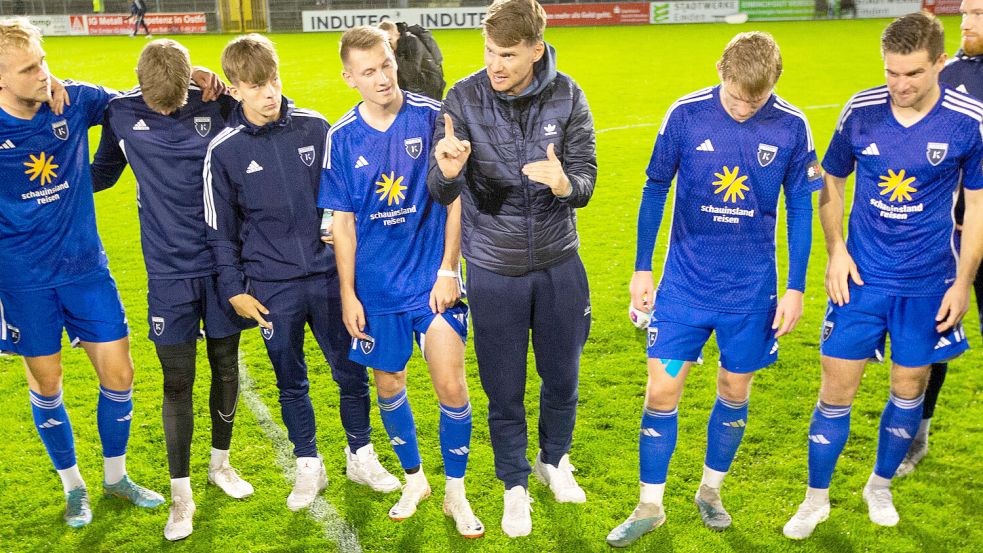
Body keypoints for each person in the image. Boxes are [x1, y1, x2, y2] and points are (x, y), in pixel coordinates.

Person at [606, 31, 822, 548]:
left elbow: (800, 207)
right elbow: (656, 187)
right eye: (734, 96)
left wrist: (795, 288)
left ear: (773, 85)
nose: (744, 107)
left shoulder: (792, 126)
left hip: (750, 295)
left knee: (733, 390)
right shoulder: (685, 115)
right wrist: (641, 268)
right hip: (683, 288)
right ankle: (649, 505)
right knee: (661, 391)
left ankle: (710, 491)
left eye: (756, 99)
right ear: (720, 72)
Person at [783, 12, 983, 539]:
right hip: (862, 279)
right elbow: (830, 180)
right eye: (891, 72)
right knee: (835, 388)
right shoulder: (862, 111)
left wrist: (963, 282)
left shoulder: (968, 120)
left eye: (913, 73)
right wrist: (836, 250)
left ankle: (879, 484)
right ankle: (815, 499)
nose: (899, 85)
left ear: (941, 63)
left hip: (928, 284)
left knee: (909, 385)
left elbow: (978, 209)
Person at [203, 34, 400, 512]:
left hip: (332, 279)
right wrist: (234, 290)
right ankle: (308, 463)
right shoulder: (224, 151)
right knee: (290, 380)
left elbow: (349, 197)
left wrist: (338, 232)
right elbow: (218, 230)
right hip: (272, 287)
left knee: (351, 370)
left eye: (273, 80)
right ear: (235, 89)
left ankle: (361, 453)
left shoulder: (317, 128)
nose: (269, 93)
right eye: (255, 86)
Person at [427, 0, 596, 538]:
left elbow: (588, 181)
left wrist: (565, 183)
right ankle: (514, 485)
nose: (494, 64)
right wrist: (448, 172)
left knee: (562, 377)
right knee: (504, 387)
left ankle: (554, 459)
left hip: (558, 263)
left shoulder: (569, 94)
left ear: (535, 50)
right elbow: (439, 191)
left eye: (507, 55)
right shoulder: (463, 97)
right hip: (493, 268)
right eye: (489, 52)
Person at [0, 17, 164, 528]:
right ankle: (75, 487)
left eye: (43, 61)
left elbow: (132, 101)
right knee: (47, 385)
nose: (44, 76)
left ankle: (116, 477)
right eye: (29, 70)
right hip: (23, 279)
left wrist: (193, 74)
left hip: (85, 270)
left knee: (121, 374)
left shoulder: (73, 99)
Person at [320, 26, 483, 538]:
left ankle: (456, 492)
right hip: (375, 290)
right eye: (368, 71)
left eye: (387, 64)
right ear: (350, 78)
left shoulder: (432, 117)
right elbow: (341, 222)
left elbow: (453, 194)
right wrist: (348, 294)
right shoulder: (341, 137)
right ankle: (415, 479)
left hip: (431, 285)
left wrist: (448, 268)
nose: (383, 77)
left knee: (451, 385)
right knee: (388, 384)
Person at [90, 39, 254, 541]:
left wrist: (216, 81)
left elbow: (265, 118)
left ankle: (220, 465)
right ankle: (180, 496)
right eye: (157, 102)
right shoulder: (120, 113)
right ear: (140, 86)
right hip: (167, 273)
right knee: (176, 383)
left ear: (190, 85)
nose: (166, 110)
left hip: (225, 265)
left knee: (227, 367)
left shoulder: (217, 104)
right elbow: (101, 173)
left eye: (174, 102)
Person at [897, 0, 983, 478]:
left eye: (977, 13)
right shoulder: (949, 74)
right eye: (965, 12)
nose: (965, 22)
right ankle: (916, 436)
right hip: (947, 237)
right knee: (933, 332)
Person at [378, 20, 445, 100]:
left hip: (428, 87)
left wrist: (394, 56)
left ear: (397, 35)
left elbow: (411, 73)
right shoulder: (386, 49)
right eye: (383, 41)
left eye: (389, 40)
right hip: (411, 87)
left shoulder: (412, 42)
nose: (387, 45)